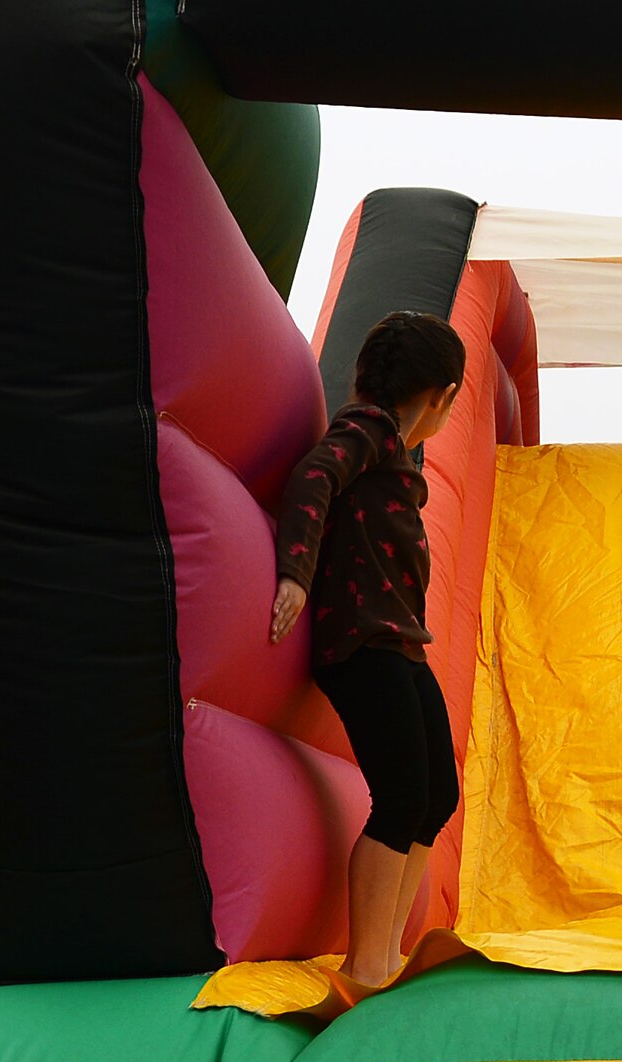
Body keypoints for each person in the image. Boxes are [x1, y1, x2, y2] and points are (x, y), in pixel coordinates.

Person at [269, 310, 467, 988]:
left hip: (400, 642)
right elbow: (313, 478)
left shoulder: (392, 451)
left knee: (436, 796)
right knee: (402, 796)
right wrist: (295, 574)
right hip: (360, 640)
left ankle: (389, 951)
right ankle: (367, 963)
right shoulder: (369, 430)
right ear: (442, 396)